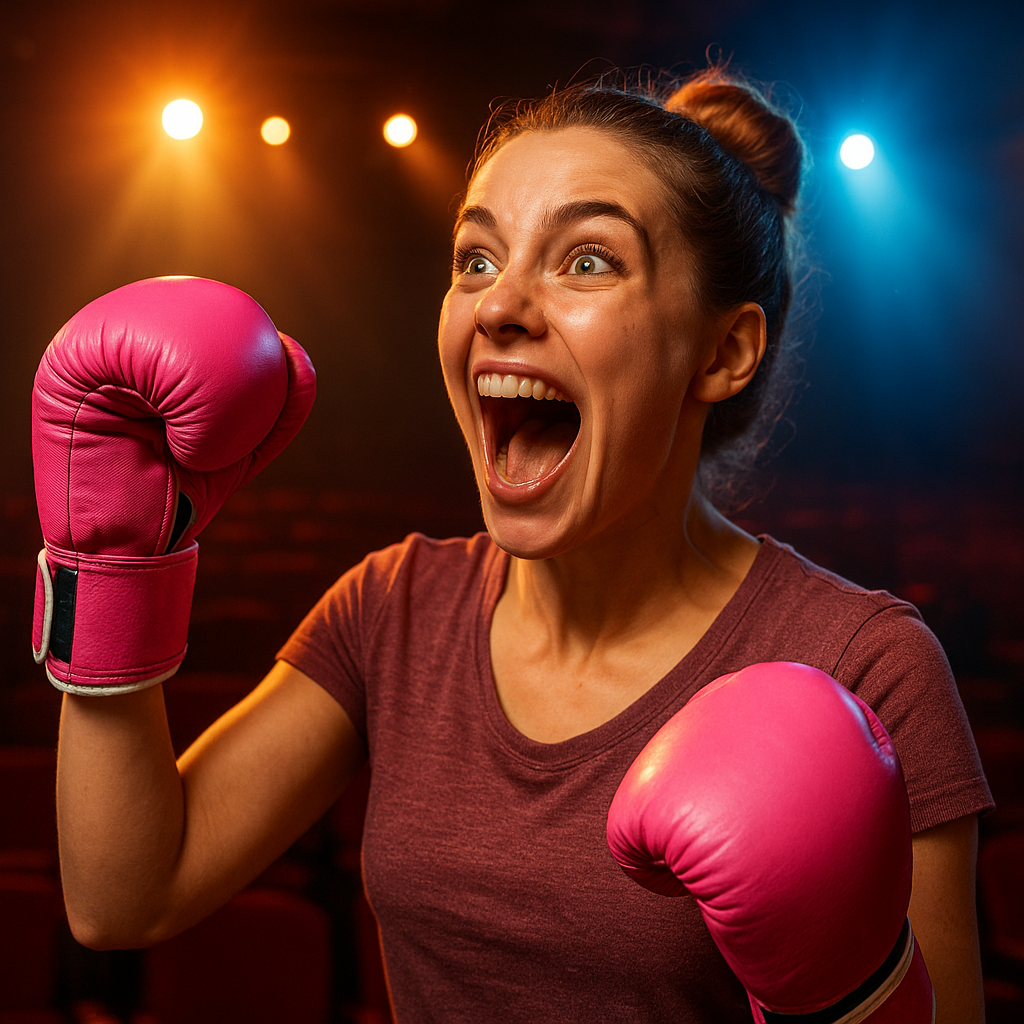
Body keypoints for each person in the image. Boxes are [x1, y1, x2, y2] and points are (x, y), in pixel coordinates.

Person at [40, 68, 992, 1023]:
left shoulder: (867, 665)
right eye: (478, 259)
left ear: (722, 352)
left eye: (587, 261)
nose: (499, 306)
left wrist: (857, 990)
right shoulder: (396, 605)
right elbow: (126, 895)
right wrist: (114, 565)